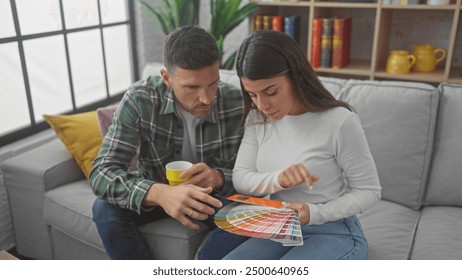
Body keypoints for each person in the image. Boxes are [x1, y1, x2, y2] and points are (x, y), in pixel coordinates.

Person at [221, 30, 382, 260]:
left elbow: (369, 191)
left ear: (295, 75)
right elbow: (241, 178)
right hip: (280, 228)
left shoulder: (339, 121)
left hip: (332, 230)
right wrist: (278, 179)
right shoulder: (257, 120)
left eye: (271, 92)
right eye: (252, 95)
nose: (262, 105)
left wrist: (313, 213)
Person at [89, 26, 247, 260]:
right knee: (103, 208)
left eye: (213, 83)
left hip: (213, 198)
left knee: (250, 218)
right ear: (167, 78)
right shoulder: (140, 99)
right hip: (156, 196)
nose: (206, 98)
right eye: (192, 87)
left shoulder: (236, 102)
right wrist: (160, 193)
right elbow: (101, 172)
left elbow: (255, 175)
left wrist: (218, 177)